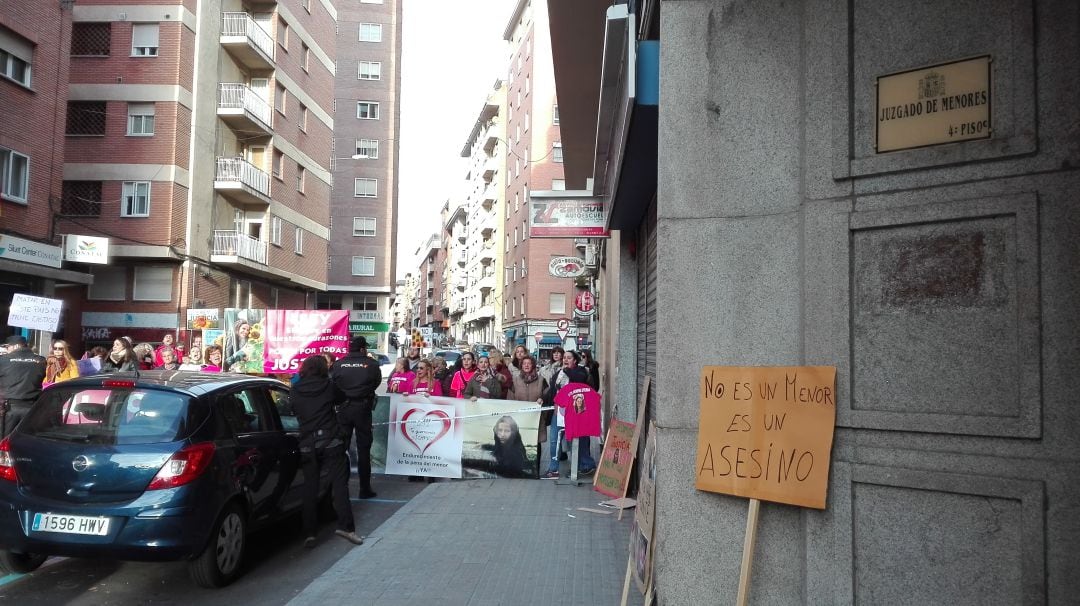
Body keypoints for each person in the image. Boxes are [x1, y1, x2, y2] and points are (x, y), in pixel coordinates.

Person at [290, 355, 363, 548]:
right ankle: (346, 527)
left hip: (307, 443)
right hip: (331, 440)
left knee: (310, 487)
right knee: (339, 484)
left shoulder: (295, 389)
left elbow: (292, 410)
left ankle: (310, 532)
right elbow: (343, 398)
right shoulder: (328, 386)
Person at [331, 336, 382, 499]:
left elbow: (334, 384)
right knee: (364, 449)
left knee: (340, 448)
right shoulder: (371, 364)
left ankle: (338, 486)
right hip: (362, 409)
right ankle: (364, 489)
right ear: (362, 349)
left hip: (343, 409)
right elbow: (376, 382)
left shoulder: (338, 364)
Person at [543, 351, 594, 478]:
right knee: (555, 440)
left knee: (578, 440)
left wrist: (567, 371)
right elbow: (553, 392)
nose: (565, 359)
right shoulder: (557, 374)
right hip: (559, 412)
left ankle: (582, 466)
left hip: (576, 412)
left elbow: (580, 380)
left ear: (575, 361)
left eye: (569, 358)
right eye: (564, 357)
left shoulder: (581, 371)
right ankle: (553, 468)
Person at [0, 335, 48, 437]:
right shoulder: (41, 360)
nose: (7, 350)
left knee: (5, 442)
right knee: (26, 441)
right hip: (32, 409)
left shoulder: (3, 360)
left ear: (15, 346)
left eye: (8, 347)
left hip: (9, 409)